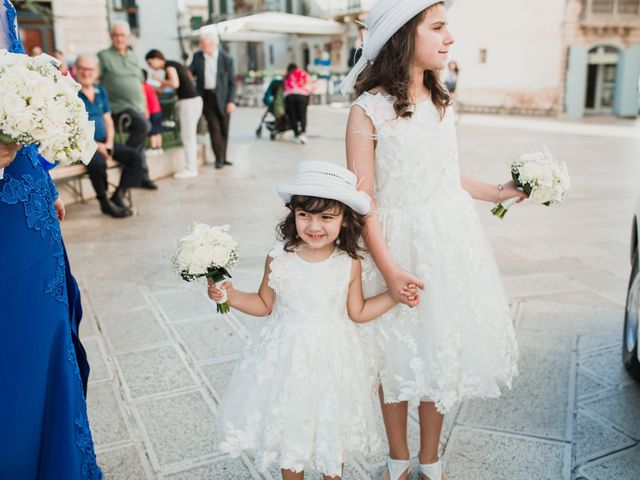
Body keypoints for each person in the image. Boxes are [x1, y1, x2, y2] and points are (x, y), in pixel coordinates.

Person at [342, 1, 528, 479]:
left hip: (446, 242)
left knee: (437, 348)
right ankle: (397, 459)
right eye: (439, 28)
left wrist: (499, 192)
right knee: (394, 354)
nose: (450, 38)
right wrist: (387, 269)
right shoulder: (368, 112)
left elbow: (445, 175)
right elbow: (364, 202)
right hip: (393, 243)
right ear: (405, 35)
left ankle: (431, 459)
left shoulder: (442, 102)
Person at [208, 161, 418, 480]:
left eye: (326, 217)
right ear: (292, 214)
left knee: (330, 439)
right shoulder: (280, 256)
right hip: (286, 362)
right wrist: (230, 295)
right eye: (304, 214)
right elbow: (264, 303)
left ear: (345, 219)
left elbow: (357, 311)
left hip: (333, 365)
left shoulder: (348, 263)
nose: (314, 226)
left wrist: (393, 295)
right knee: (290, 434)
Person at [0, 2, 101, 478]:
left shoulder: (7, 10)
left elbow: (22, 113)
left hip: (29, 211)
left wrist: (43, 180)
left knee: (47, 331)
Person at [76, 54, 144, 218]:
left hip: (105, 142)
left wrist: (109, 143)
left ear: (96, 71)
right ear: (76, 70)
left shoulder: (100, 91)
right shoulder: (72, 93)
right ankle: (104, 202)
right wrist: (96, 145)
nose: (86, 73)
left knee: (135, 157)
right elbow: (73, 127)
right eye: (82, 69)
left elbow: (108, 120)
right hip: (83, 145)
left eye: (90, 69)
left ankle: (118, 194)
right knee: (98, 163)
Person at [98, 20, 157, 190]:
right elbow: (95, 79)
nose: (119, 38)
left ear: (128, 37)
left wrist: (145, 106)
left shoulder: (133, 55)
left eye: (122, 35)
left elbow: (139, 83)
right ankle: (128, 160)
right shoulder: (103, 56)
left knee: (141, 140)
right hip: (118, 107)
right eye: (115, 35)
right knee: (143, 128)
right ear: (111, 36)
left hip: (137, 106)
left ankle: (142, 176)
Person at [146, 49, 203, 179]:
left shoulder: (169, 66)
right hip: (193, 101)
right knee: (190, 135)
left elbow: (174, 84)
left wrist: (159, 80)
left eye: (150, 63)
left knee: (187, 136)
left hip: (189, 102)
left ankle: (190, 168)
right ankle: (191, 167)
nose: (151, 67)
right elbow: (162, 88)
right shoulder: (172, 66)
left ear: (156, 58)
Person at [189, 32, 236, 169]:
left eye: (202, 43)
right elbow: (190, 72)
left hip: (223, 98)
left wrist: (231, 101)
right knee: (214, 128)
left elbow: (232, 82)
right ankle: (218, 158)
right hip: (207, 98)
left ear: (211, 44)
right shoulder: (197, 56)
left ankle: (224, 156)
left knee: (224, 129)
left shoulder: (226, 58)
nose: (200, 46)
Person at [284, 63, 312, 144]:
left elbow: (285, 87)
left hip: (290, 96)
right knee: (303, 115)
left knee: (293, 115)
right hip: (302, 95)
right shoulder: (303, 73)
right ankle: (303, 133)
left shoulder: (288, 75)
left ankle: (296, 134)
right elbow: (309, 85)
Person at [141, 69, 164, 157]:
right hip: (158, 110)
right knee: (158, 130)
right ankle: (159, 148)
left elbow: (144, 99)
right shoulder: (150, 85)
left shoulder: (142, 86)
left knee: (152, 131)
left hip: (151, 111)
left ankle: (153, 148)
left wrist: (146, 110)